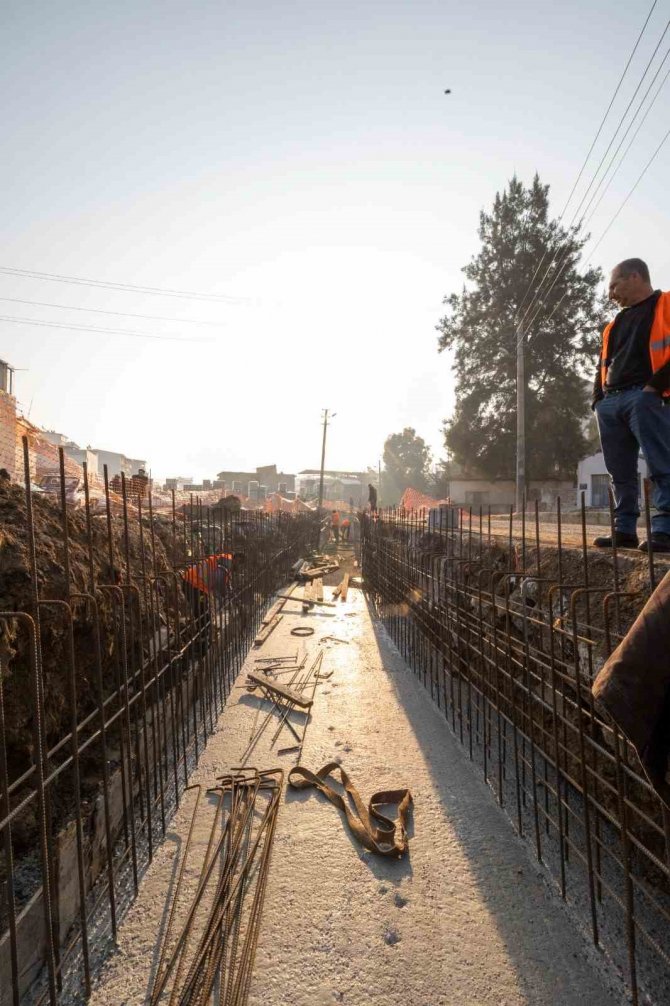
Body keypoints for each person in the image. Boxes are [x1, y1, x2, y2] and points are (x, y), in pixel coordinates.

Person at [592, 258, 670, 552]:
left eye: (614, 285)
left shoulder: (666, 304)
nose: (611, 294)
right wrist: (598, 400)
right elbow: (602, 364)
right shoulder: (614, 325)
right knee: (620, 472)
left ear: (635, 277)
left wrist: (653, 388)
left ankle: (665, 530)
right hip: (611, 402)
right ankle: (624, 530)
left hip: (648, 396)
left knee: (662, 464)